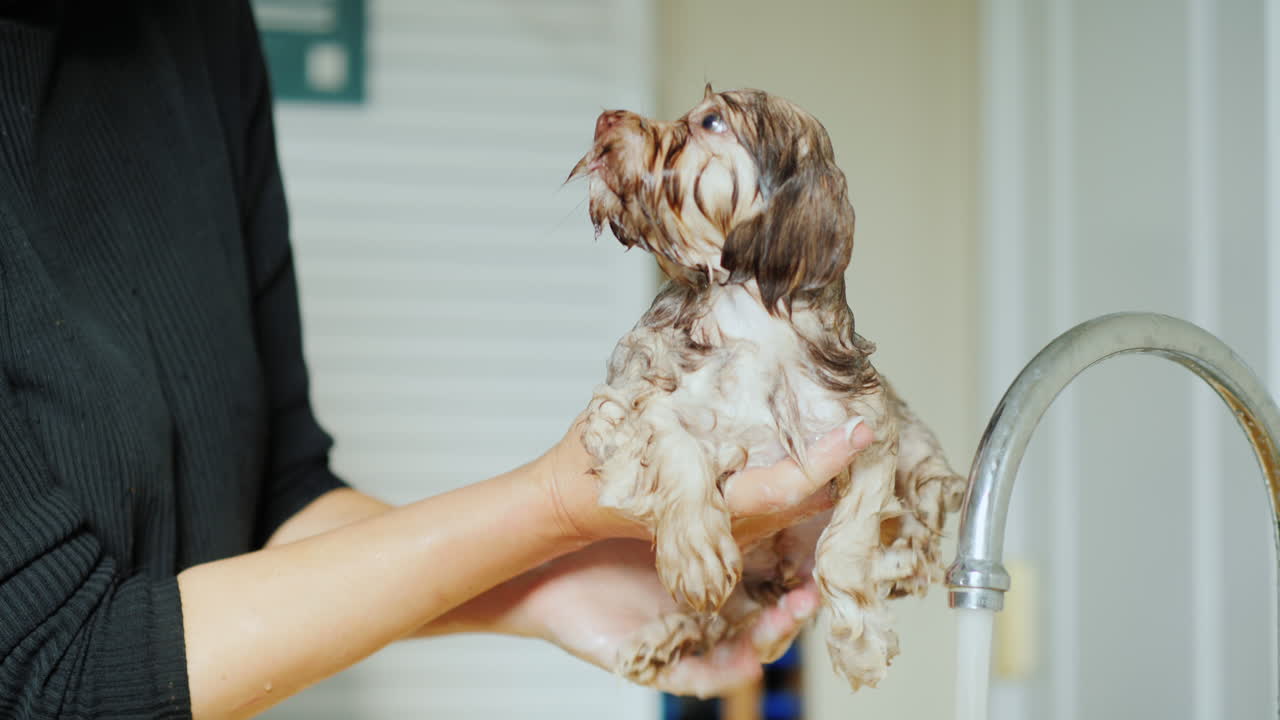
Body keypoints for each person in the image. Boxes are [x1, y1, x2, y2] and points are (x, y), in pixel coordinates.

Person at [0, 2, 873, 718]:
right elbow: (61, 673)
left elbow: (280, 501)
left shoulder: (202, 29)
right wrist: (556, 508)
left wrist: (547, 588)